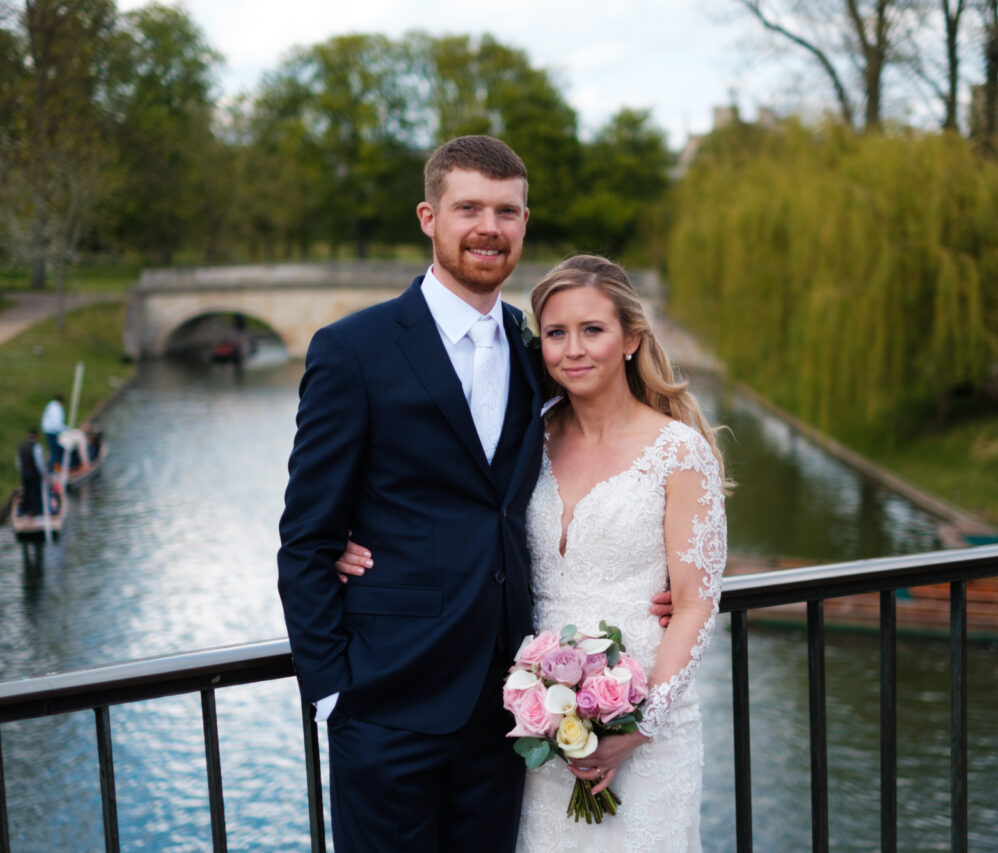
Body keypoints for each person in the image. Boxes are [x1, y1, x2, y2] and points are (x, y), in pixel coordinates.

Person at [278, 135, 544, 852]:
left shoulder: (533, 348)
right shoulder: (353, 349)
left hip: (506, 708)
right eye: (469, 208)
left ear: (524, 224)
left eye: (507, 211)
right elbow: (306, 538)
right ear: (429, 216)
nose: (489, 226)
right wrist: (335, 692)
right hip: (386, 706)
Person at [513, 254, 728, 851]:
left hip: (647, 722)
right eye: (556, 333)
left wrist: (640, 726)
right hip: (540, 726)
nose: (572, 350)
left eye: (593, 330)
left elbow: (693, 604)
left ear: (631, 339)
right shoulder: (529, 437)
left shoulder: (679, 453)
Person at [16, 428, 48, 516]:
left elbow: (18, 462)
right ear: (36, 437)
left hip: (24, 473)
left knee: (26, 491)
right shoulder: (37, 447)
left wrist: (22, 471)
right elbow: (39, 463)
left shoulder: (21, 446)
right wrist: (44, 473)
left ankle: (25, 510)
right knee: (35, 492)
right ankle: (35, 511)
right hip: (34, 474)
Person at [40, 393, 67, 471]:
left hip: (48, 431)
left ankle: (54, 469)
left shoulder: (51, 406)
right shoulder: (56, 409)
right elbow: (57, 424)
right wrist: (65, 430)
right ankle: (53, 470)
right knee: (55, 452)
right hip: (52, 432)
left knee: (53, 451)